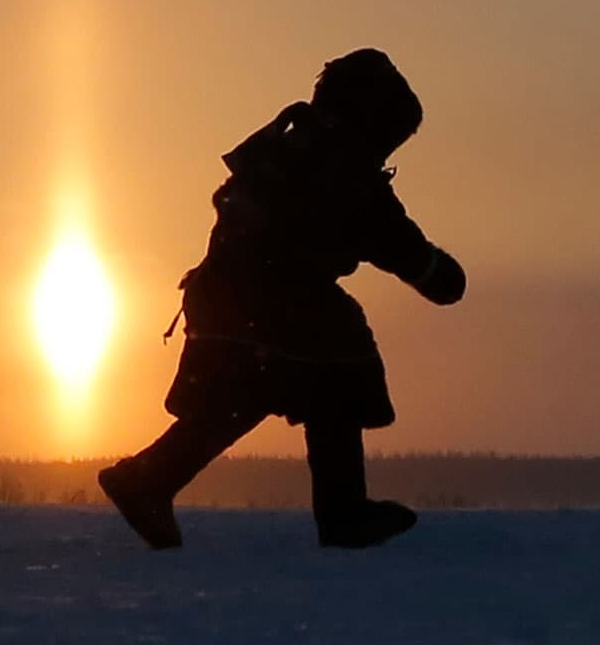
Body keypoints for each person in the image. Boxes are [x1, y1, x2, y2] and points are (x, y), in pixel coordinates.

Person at [98, 49, 467, 549]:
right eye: (389, 139)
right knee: (336, 372)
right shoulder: (343, 167)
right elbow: (395, 241)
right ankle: (341, 512)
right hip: (271, 305)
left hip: (229, 300)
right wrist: (440, 275)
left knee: (242, 396)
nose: (386, 154)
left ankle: (147, 481)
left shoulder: (286, 145)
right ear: (371, 121)